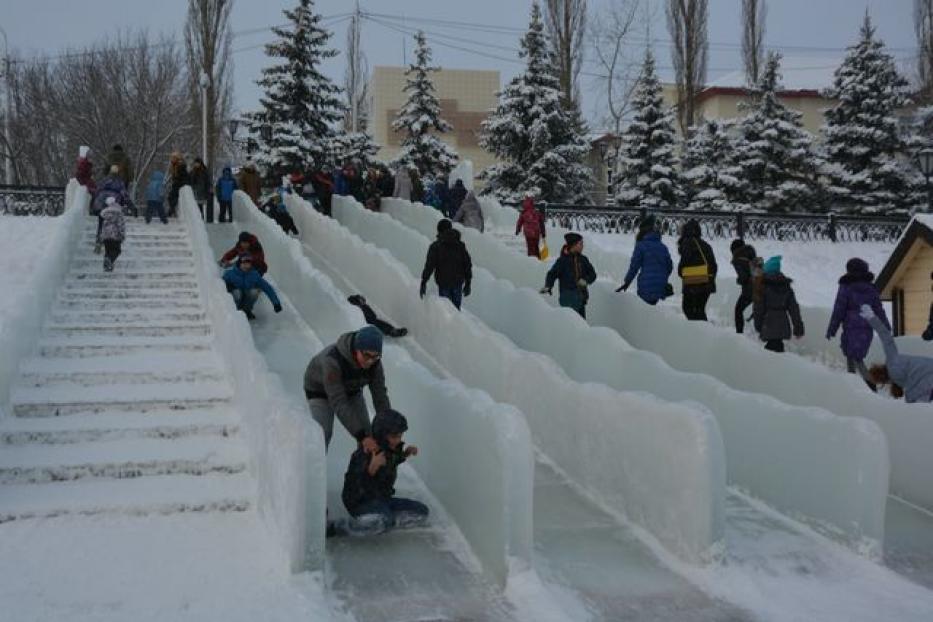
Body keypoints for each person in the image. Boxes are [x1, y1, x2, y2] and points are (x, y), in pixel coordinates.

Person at [330, 409, 428, 537]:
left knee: (422, 511)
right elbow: (353, 488)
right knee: (383, 521)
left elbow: (393, 460)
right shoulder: (364, 454)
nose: (398, 440)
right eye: (394, 437)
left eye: (400, 436)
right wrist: (371, 469)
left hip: (382, 499)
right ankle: (337, 527)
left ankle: (383, 520)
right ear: (382, 435)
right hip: (360, 503)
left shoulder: (390, 450)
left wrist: (406, 453)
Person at [303, 325, 390, 450]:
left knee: (368, 434)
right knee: (323, 434)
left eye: (375, 356)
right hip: (320, 391)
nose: (370, 361)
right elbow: (339, 402)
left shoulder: (375, 363)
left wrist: (389, 426)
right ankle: (313, 466)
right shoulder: (332, 361)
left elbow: (380, 395)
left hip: (351, 388)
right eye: (366, 355)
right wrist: (361, 436)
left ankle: (363, 467)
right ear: (356, 349)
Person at [826, 258, 890, 388]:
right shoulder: (871, 289)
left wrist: (832, 329)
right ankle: (857, 385)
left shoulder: (846, 287)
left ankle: (866, 385)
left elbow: (839, 309)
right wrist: (886, 327)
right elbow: (879, 309)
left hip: (851, 328)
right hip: (866, 328)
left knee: (854, 358)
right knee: (855, 357)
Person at [862, 305, 933, 403]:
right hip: (929, 369)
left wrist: (910, 402)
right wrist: (871, 317)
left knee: (915, 402)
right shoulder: (892, 360)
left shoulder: (893, 364)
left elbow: (917, 388)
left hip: (928, 377)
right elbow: (885, 336)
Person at [616, 217, 673, 305]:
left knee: (645, 311)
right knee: (655, 312)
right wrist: (661, 277)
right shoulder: (663, 247)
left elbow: (634, 267)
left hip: (645, 287)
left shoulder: (641, 245)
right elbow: (669, 266)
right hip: (661, 287)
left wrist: (627, 282)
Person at [419, 218, 473, 311]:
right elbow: (467, 264)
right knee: (456, 311)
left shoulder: (435, 246)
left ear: (439, 230)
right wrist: (468, 282)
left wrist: (424, 282)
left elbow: (429, 266)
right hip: (458, 282)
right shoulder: (460, 245)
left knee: (447, 311)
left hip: (444, 283)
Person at [753, 256, 804, 353]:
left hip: (768, 323)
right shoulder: (786, 286)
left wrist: (758, 325)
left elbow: (758, 308)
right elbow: (794, 309)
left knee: (770, 354)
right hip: (783, 325)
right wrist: (798, 328)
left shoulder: (762, 287)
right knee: (778, 348)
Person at [541, 232, 597, 318]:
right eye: (580, 243)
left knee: (581, 324)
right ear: (573, 245)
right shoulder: (562, 261)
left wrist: (586, 280)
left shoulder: (583, 260)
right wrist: (548, 285)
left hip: (580, 299)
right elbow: (552, 274)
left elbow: (593, 274)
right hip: (567, 299)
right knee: (570, 324)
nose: (582, 246)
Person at [677, 219, 717, 321]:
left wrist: (681, 272)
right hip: (706, 282)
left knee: (688, 309)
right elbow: (713, 265)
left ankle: (698, 333)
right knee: (700, 309)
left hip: (692, 282)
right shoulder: (706, 245)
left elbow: (684, 264)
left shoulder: (687, 243)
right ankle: (704, 332)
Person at [222, 253, 283, 321]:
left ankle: (246, 310)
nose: (246, 266)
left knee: (254, 292)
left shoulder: (254, 274)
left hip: (246, 297)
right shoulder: (230, 274)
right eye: (244, 264)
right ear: (239, 264)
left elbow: (267, 288)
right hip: (236, 297)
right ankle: (235, 311)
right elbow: (220, 285)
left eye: (248, 264)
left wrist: (276, 303)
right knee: (237, 293)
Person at [92, 165, 130, 253]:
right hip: (112, 204)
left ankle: (98, 241)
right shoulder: (119, 182)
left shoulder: (105, 180)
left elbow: (97, 190)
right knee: (112, 223)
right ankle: (109, 243)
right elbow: (124, 193)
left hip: (101, 203)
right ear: (118, 172)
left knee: (101, 223)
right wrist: (127, 203)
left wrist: (94, 204)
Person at [730, 239, 758, 334]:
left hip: (749, 291)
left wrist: (739, 280)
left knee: (738, 310)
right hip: (759, 288)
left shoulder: (737, 259)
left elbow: (744, 278)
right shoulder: (752, 254)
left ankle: (739, 333)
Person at [99, 196, 126, 272]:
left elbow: (102, 225)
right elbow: (121, 225)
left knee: (108, 251)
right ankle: (109, 260)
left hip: (106, 235)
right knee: (117, 250)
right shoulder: (118, 212)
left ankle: (107, 267)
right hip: (115, 234)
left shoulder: (105, 213)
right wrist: (122, 234)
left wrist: (101, 235)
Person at [166, 152, 189, 218]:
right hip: (176, 184)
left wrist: (178, 181)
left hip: (179, 184)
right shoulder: (174, 166)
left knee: (172, 197)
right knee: (170, 197)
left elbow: (183, 176)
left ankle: (172, 210)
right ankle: (172, 210)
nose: (171, 159)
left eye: (173, 158)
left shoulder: (180, 166)